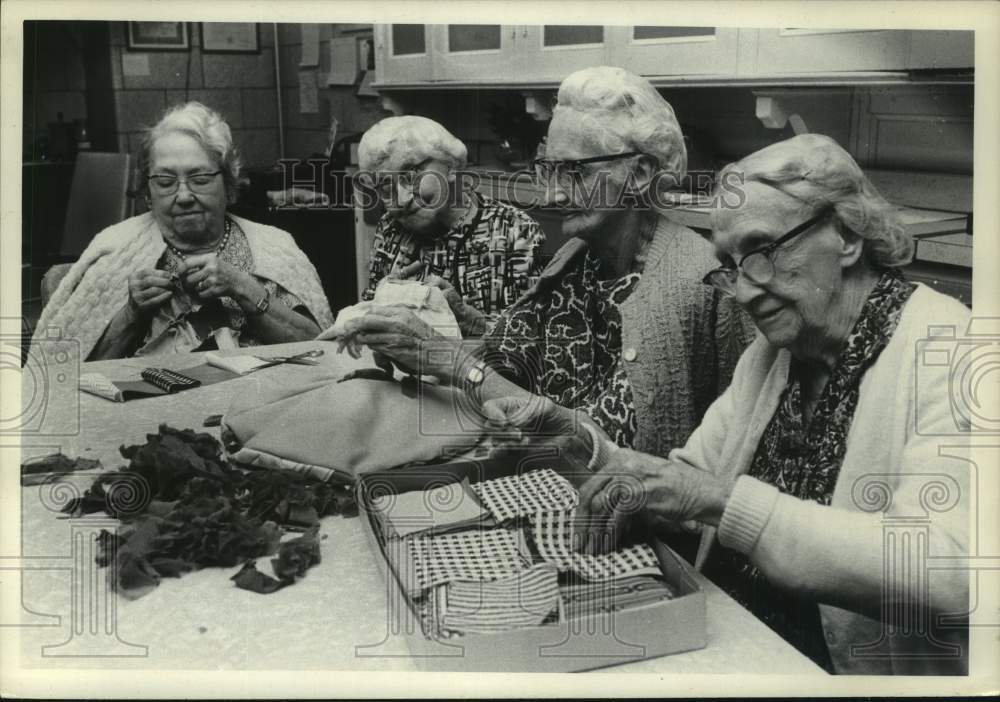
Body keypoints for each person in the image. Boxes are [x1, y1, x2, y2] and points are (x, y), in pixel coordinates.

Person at [485, 133, 970, 675]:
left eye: (762, 252)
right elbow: (683, 488)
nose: (743, 291)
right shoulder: (772, 356)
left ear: (848, 236)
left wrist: (722, 502)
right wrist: (575, 439)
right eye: (731, 265)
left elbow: (948, 568)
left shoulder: (952, 347)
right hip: (740, 650)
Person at [344, 66, 754, 459]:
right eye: (548, 171)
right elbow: (519, 359)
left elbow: (605, 444)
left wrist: (444, 359)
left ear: (641, 172)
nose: (552, 196)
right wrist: (463, 322)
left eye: (573, 172)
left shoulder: (688, 283)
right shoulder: (578, 256)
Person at [33, 102, 332, 361]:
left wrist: (243, 287)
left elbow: (322, 352)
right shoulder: (113, 248)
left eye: (200, 178)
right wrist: (132, 314)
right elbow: (71, 377)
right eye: (165, 182)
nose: (184, 195)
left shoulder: (273, 245)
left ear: (228, 186)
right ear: (148, 193)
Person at [357, 115, 545, 336]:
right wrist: (380, 302)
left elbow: (530, 341)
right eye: (385, 188)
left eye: (410, 176)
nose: (401, 199)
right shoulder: (390, 228)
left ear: (450, 165)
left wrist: (467, 318)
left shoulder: (515, 231)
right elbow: (369, 315)